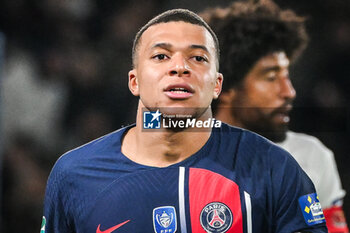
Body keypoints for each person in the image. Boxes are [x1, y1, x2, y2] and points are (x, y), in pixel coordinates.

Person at [41, 9, 327, 233]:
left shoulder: (274, 169)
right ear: (134, 81)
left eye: (198, 58)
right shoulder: (73, 175)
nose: (179, 67)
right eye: (161, 56)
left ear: (217, 85)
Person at [202, 1, 348, 232]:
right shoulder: (182, 156)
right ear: (226, 88)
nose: (288, 91)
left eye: (287, 75)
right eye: (271, 77)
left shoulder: (313, 156)